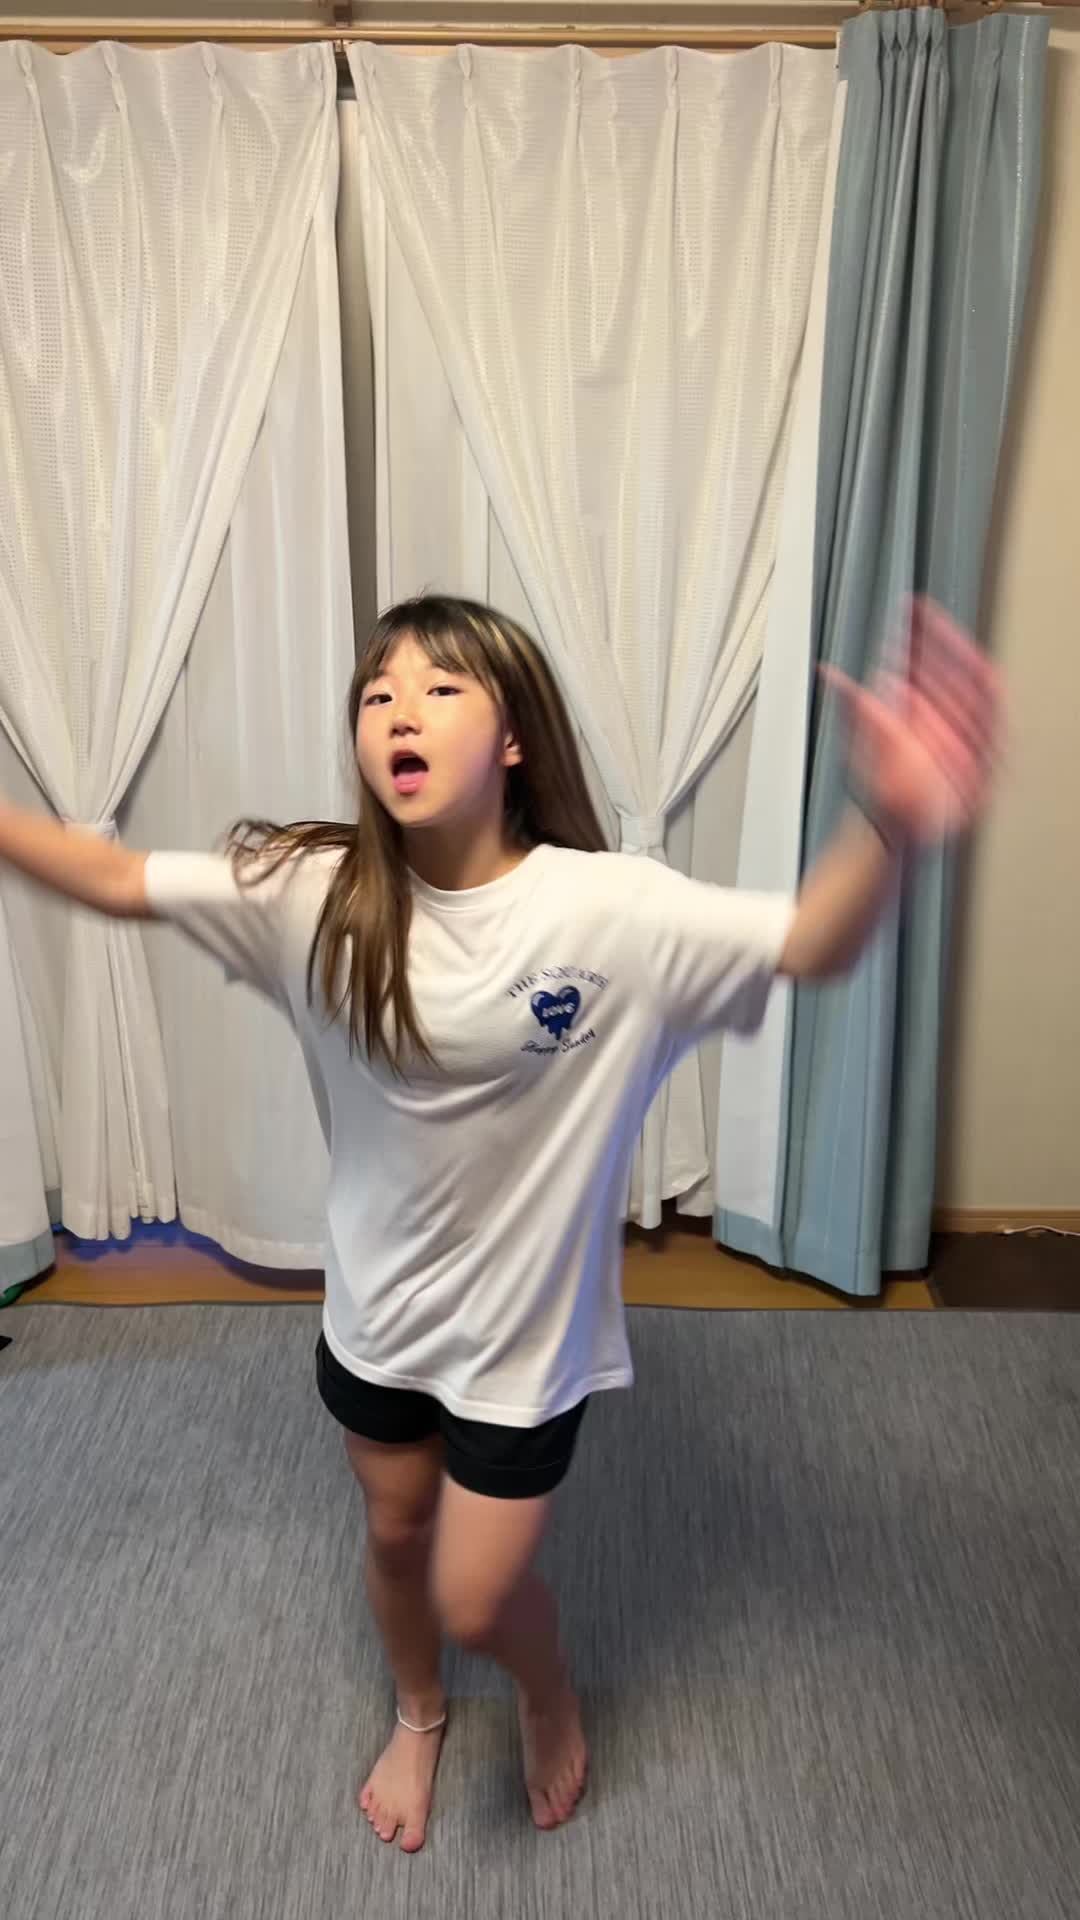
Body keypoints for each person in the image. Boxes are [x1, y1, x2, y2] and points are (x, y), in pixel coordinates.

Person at [0, 591, 999, 1852]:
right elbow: (113, 877)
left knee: (479, 1594)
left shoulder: (610, 910)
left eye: (440, 688)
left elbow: (807, 943)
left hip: (528, 1339)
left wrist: (891, 823)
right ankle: (417, 1712)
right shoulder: (313, 895)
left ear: (514, 736)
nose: (399, 711)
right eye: (377, 694)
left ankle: (544, 1685)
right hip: (378, 1317)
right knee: (394, 1532)